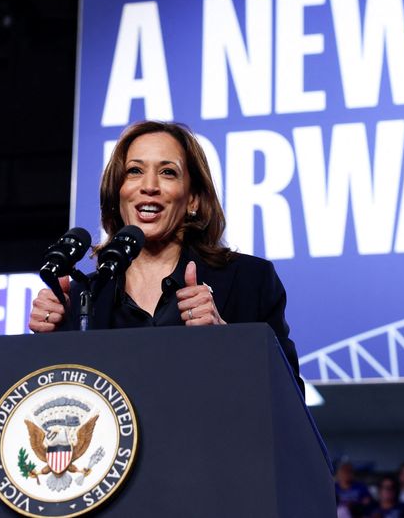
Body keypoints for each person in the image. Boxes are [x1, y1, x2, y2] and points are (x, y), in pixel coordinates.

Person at [28, 120, 304, 392]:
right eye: (134, 171)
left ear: (193, 199)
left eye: (168, 172)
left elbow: (289, 395)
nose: (149, 186)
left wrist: (226, 340)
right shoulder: (81, 299)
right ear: (117, 194)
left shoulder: (249, 281)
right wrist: (49, 346)